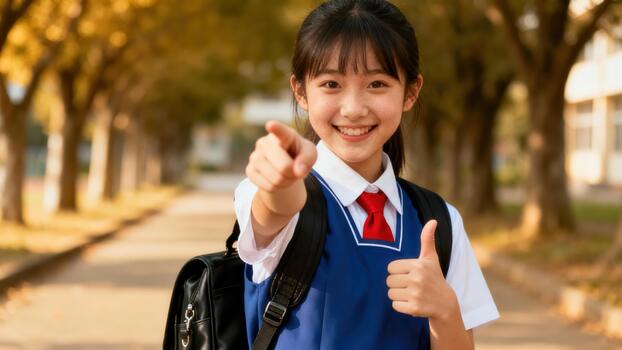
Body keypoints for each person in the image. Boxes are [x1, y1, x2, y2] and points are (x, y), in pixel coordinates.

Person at [233, 0, 499, 348]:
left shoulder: (440, 222)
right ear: (300, 92)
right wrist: (280, 180)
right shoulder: (273, 192)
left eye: (377, 84)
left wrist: (445, 309)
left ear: (411, 92)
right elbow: (278, 208)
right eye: (331, 84)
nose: (354, 109)